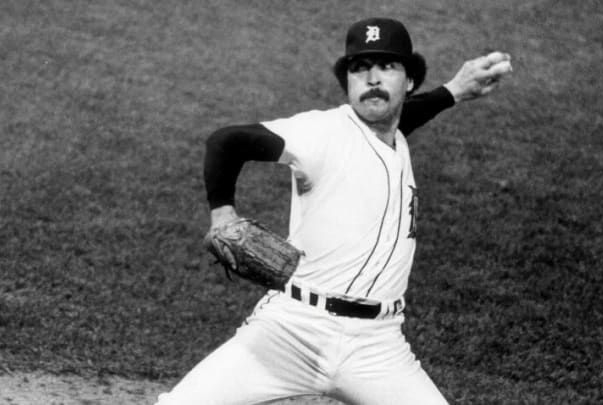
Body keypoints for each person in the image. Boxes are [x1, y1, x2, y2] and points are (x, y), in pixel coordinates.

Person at [156, 17, 512, 405]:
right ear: (348, 84)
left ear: (409, 81)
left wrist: (455, 90)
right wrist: (223, 214)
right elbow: (226, 142)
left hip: (377, 347)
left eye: (387, 67)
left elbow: (397, 119)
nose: (373, 78)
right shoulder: (322, 133)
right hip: (291, 333)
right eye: (360, 69)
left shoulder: (391, 135)